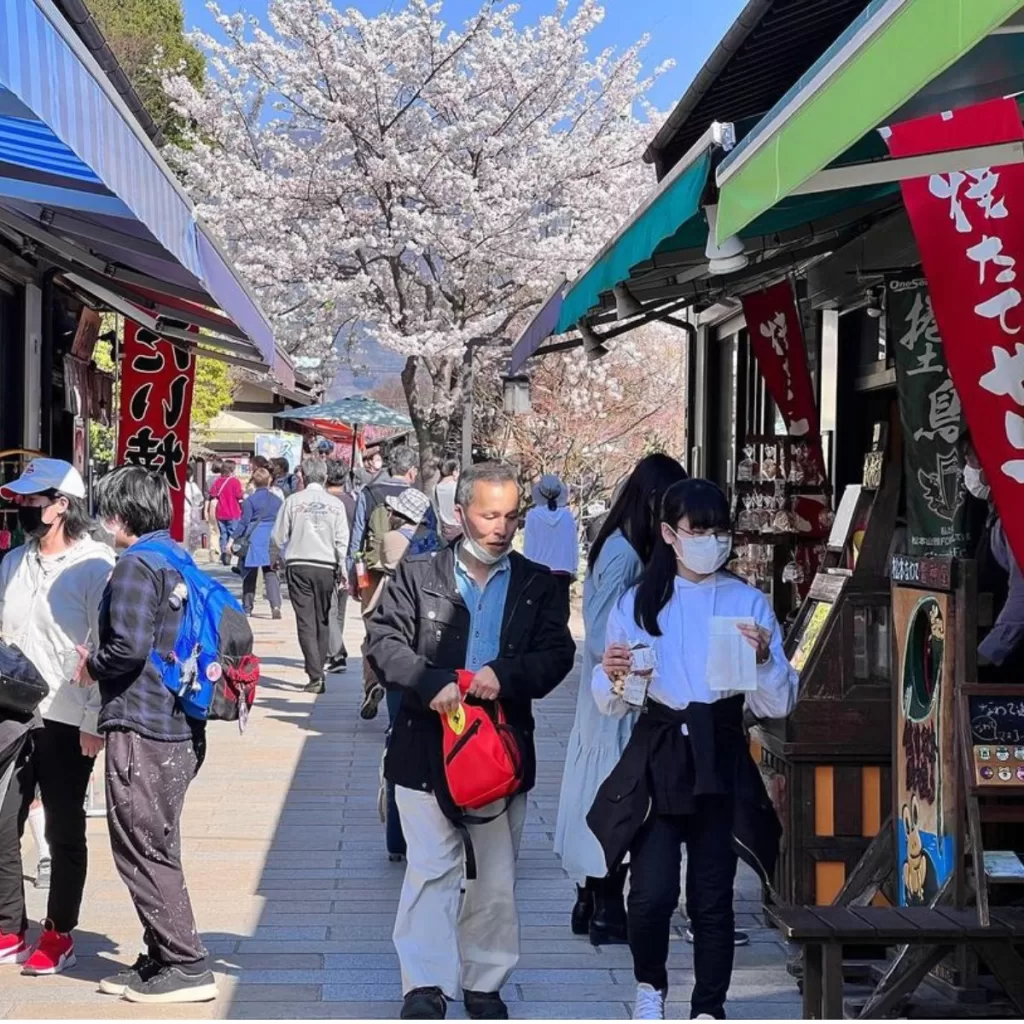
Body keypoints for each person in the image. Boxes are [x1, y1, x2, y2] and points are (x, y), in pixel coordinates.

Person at [366, 462, 576, 1021]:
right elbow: (382, 642)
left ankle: (484, 980)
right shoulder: (417, 575)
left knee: (494, 873)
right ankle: (426, 984)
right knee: (431, 866)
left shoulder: (538, 583)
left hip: (499, 752)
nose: (500, 528)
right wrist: (428, 681)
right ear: (460, 513)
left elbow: (558, 656)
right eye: (488, 515)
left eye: (510, 516)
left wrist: (506, 676)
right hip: (422, 744)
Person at [589, 479, 797, 1020]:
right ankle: (649, 986)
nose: (711, 541)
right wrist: (610, 676)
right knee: (651, 891)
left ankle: (709, 1006)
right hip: (660, 751)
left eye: (719, 531)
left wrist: (766, 659)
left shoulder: (747, 601)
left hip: (720, 751)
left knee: (713, 893)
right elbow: (615, 700)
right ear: (669, 534)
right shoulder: (638, 603)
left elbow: (778, 702)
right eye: (698, 530)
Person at [80, 466, 217, 1004]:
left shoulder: (136, 564)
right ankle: (163, 953)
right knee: (154, 840)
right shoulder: (175, 555)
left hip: (144, 724)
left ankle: (185, 964)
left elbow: (129, 649)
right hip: (179, 723)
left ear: (118, 515)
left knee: (141, 845)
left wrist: (92, 664)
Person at [554, 454, 687, 946]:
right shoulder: (625, 554)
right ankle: (606, 905)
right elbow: (604, 634)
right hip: (615, 695)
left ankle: (591, 900)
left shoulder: (620, 544)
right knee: (615, 796)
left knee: (603, 792)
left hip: (608, 693)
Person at [0, 459, 114, 975]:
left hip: (68, 713)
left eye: (32, 500)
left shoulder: (95, 564)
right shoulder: (13, 562)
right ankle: (8, 922)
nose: (22, 508)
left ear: (62, 505)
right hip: (12, 708)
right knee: (4, 816)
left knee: (64, 826)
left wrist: (94, 718)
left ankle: (58, 930)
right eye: (20, 499)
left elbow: (102, 644)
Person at [348, 445, 420, 720]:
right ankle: (399, 685)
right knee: (407, 632)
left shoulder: (369, 493)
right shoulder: (417, 496)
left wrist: (354, 575)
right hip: (410, 573)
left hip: (373, 570)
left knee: (373, 630)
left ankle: (372, 682)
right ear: (412, 471)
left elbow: (357, 539)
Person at [272, 458, 349, 694]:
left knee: (305, 620)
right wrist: (343, 567)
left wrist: (276, 557)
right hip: (326, 565)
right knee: (324, 619)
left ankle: (315, 675)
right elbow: (341, 539)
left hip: (299, 564)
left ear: (302, 477)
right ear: (325, 477)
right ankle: (319, 669)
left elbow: (278, 536)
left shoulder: (293, 501)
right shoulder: (335, 505)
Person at [230, 467, 283, 619]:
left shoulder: (249, 501)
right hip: (272, 538)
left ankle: (247, 607)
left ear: (254, 482)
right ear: (269, 481)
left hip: (254, 538)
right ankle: (276, 605)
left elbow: (244, 522)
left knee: (250, 574)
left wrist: (232, 538)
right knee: (271, 572)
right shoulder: (277, 501)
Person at [523, 474, 579, 613]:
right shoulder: (567, 516)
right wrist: (573, 569)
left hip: (539, 571)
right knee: (560, 616)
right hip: (562, 571)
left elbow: (529, 547)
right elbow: (573, 545)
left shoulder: (533, 516)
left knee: (539, 614)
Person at [325, 461, 356, 673]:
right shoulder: (353, 501)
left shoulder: (325, 502)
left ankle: (335, 652)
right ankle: (335, 647)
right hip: (348, 558)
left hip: (328, 557)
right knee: (340, 608)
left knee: (329, 607)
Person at [208, 461, 243, 567]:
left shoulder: (218, 481)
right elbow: (239, 495)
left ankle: (224, 553)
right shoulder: (235, 482)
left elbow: (212, 494)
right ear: (232, 470)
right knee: (233, 534)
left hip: (220, 512)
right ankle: (232, 553)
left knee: (223, 534)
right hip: (233, 512)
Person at [183, 464, 204, 555]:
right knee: (187, 534)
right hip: (188, 514)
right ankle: (186, 552)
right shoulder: (192, 486)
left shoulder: (174, 486)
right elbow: (200, 499)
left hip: (176, 515)